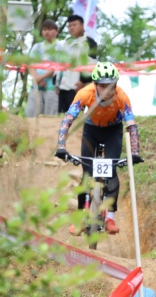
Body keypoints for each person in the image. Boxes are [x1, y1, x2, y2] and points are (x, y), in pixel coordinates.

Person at [54, 62, 144, 235]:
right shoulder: (84, 93)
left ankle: (110, 217)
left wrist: (135, 152)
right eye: (102, 85)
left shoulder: (122, 97)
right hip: (91, 131)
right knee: (87, 175)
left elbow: (131, 126)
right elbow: (68, 120)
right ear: (95, 84)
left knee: (111, 173)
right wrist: (61, 146)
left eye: (110, 85)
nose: (106, 90)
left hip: (113, 132)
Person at [56, 14, 98, 113]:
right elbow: (60, 64)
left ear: (82, 26)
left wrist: (83, 81)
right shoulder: (67, 42)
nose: (72, 27)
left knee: (75, 115)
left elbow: (91, 64)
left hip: (77, 85)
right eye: (70, 26)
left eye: (74, 25)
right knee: (61, 116)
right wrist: (57, 83)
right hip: (63, 85)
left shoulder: (89, 42)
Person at [26, 19, 61, 117]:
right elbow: (30, 64)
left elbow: (57, 67)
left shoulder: (59, 48)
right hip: (36, 86)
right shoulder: (37, 47)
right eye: (45, 29)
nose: (47, 32)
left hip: (52, 87)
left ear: (56, 31)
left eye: (50, 29)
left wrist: (40, 78)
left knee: (50, 117)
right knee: (31, 114)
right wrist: (37, 78)